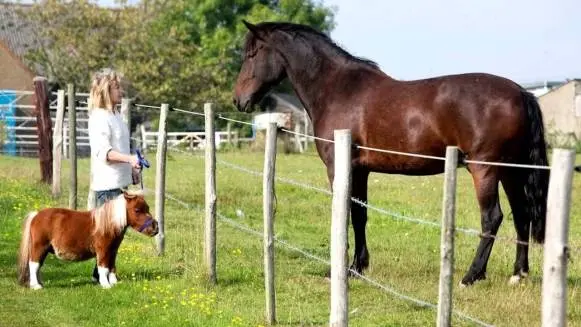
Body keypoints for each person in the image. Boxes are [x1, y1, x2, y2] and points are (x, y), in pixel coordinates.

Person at [87, 68, 140, 207]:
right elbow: (105, 153)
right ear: (105, 90)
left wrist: (131, 169)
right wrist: (130, 159)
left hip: (121, 186)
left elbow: (120, 148)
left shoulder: (116, 116)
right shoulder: (99, 118)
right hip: (108, 190)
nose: (121, 91)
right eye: (116, 87)